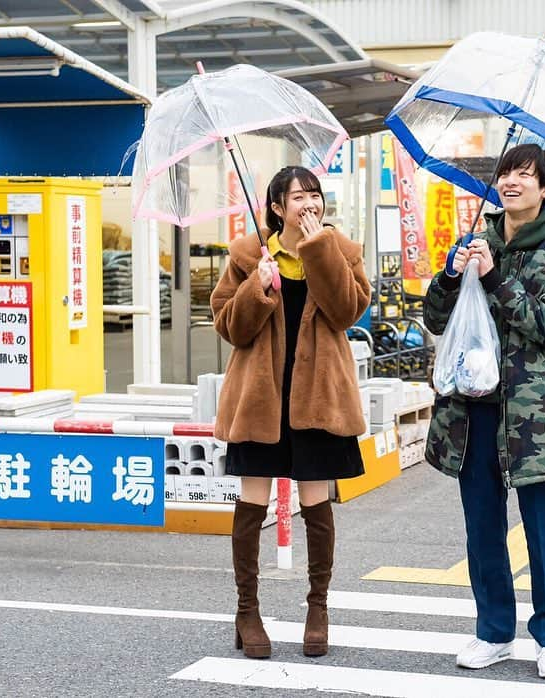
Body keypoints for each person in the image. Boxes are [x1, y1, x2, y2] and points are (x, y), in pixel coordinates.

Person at [423, 143, 545, 680]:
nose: (512, 181)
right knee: (482, 526)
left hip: (533, 414)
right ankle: (493, 631)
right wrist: (451, 274)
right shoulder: (475, 239)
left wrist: (494, 276)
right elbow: (436, 317)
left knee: (544, 527)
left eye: (525, 175)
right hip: (473, 410)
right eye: (506, 172)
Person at [211, 166, 371, 659]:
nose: (309, 203)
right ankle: (247, 610)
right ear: (277, 206)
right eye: (298, 196)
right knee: (252, 499)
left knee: (316, 500)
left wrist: (317, 246)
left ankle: (317, 607)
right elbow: (229, 327)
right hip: (261, 397)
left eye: (315, 195)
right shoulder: (247, 255)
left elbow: (346, 311)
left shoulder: (341, 251)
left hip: (320, 396)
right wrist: (254, 288)